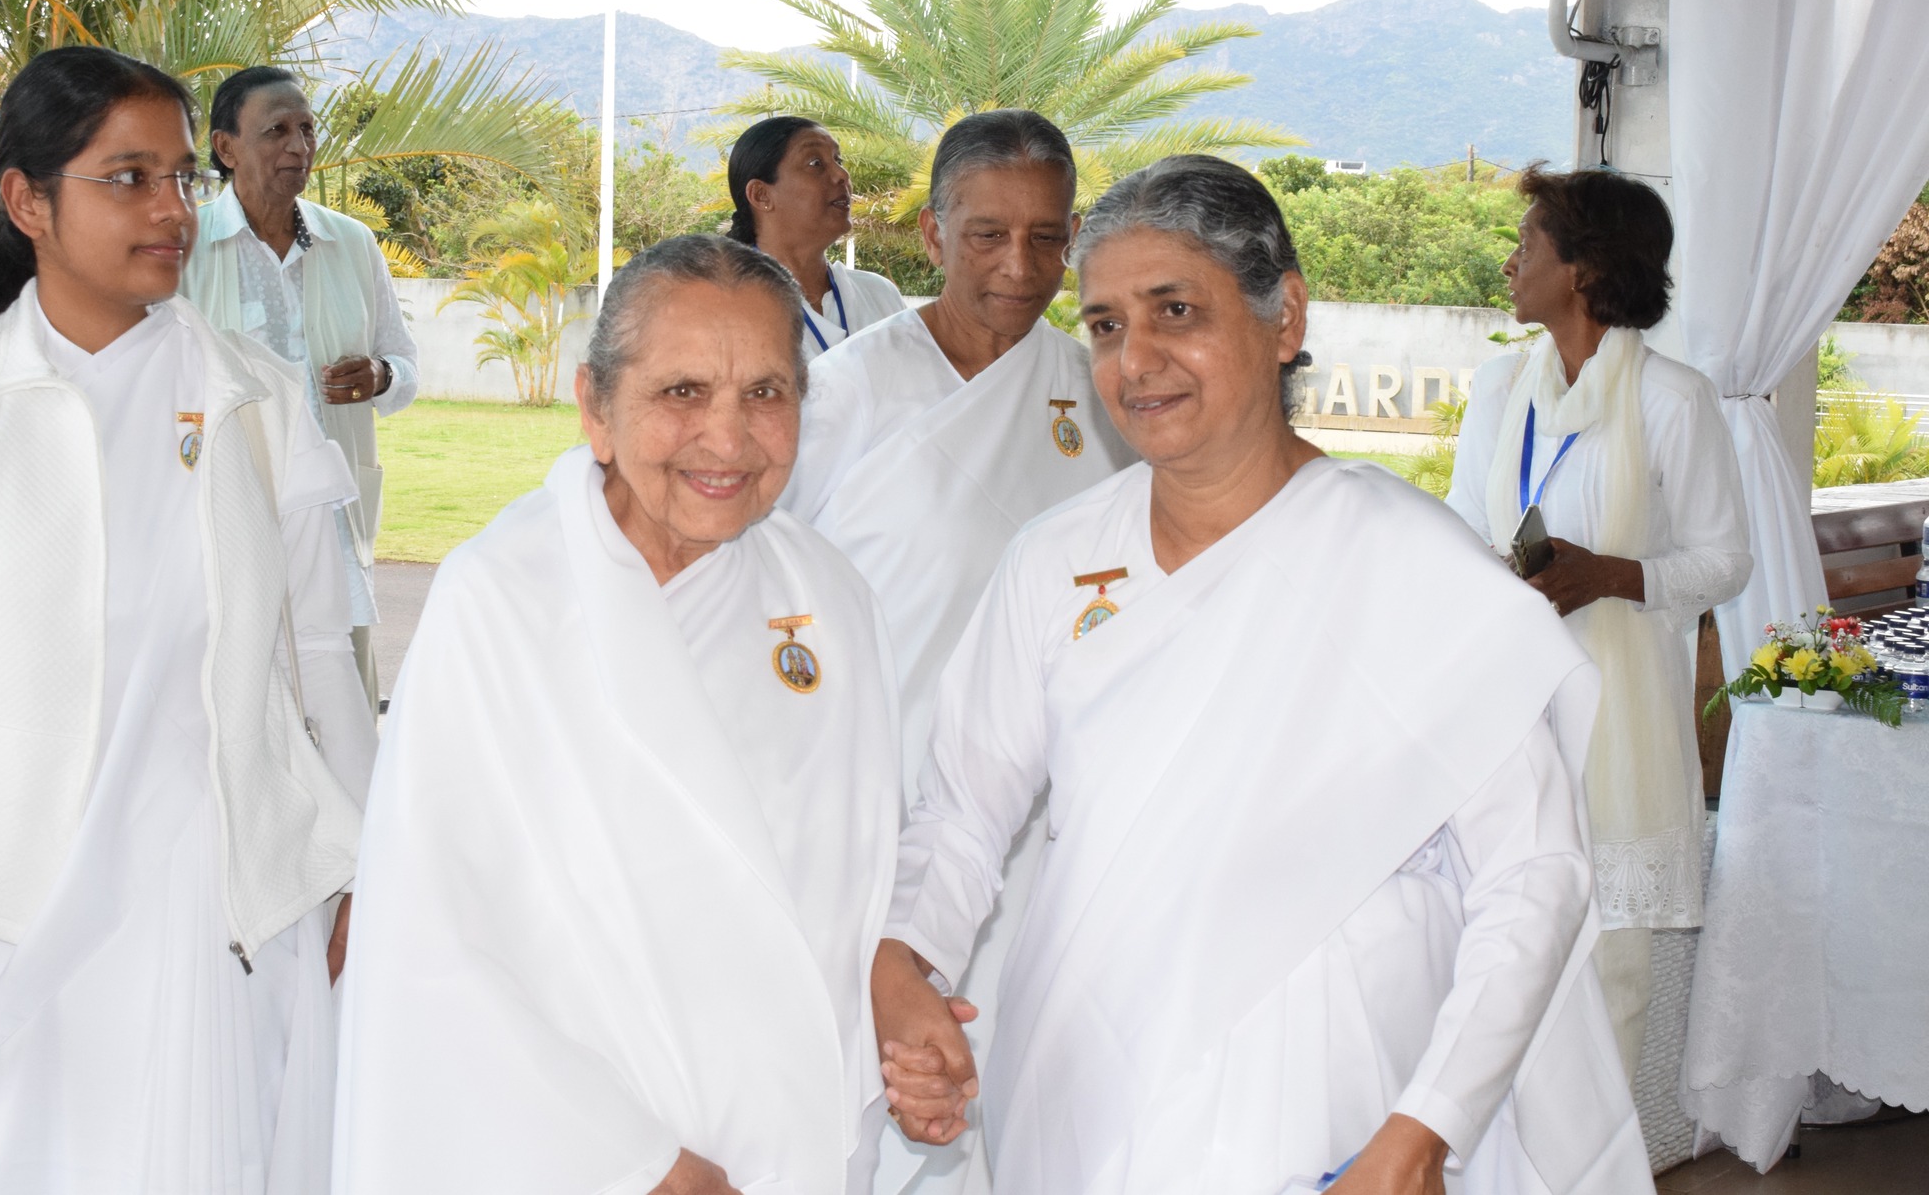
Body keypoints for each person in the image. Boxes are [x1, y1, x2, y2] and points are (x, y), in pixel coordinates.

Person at [873, 156, 1654, 1195]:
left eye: (1176, 310)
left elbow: (1534, 873)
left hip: (1336, 1100)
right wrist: (901, 960)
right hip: (1083, 1083)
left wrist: (1426, 1126)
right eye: (1104, 324)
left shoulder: (1413, 564)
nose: (1135, 360)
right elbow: (964, 813)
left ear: (1283, 315)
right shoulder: (1052, 562)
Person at [0, 47, 377, 1192]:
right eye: (127, 177)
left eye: (179, 177)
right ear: (26, 200)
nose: (170, 209)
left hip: (218, 919)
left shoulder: (254, 397)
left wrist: (368, 867)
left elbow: (320, 657)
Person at [334, 235, 903, 1195]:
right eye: (683, 391)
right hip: (579, 1152)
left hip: (789, 1146)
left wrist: (898, 1003)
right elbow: (428, 931)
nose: (728, 438)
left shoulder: (831, 598)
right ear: (596, 408)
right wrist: (642, 1162)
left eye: (766, 392)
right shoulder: (502, 599)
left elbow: (859, 876)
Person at [781, 108, 1135, 1193]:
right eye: (987, 234)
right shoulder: (849, 390)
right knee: (879, 1089)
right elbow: (774, 590)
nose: (1019, 266)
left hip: (1051, 813)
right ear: (933, 234)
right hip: (882, 803)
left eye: (1045, 236)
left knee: (1030, 1094)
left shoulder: (1105, 391)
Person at [1445, 166, 1751, 1083]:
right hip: (1510, 703)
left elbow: (1726, 560)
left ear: (1581, 269)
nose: (1510, 262)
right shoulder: (1501, 386)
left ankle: (1601, 1147)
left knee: (1612, 965)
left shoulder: (1673, 399)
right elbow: (1463, 525)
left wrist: (1609, 576)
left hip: (1621, 716)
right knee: (1505, 940)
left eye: (1527, 243)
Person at [180, 65, 421, 705]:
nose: (299, 146)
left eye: (307, 130)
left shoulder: (352, 244)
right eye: (276, 131)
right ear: (226, 147)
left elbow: (405, 366)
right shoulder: (185, 247)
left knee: (340, 694)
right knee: (236, 696)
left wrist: (380, 376)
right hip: (226, 516)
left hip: (334, 518)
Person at [728, 115, 907, 356]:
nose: (842, 175)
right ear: (761, 195)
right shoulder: (726, 306)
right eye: (815, 164)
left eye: (838, 160)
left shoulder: (878, 295)